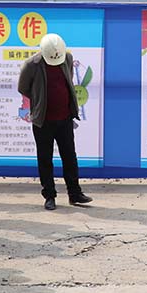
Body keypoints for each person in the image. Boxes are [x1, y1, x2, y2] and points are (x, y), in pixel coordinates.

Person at [18, 33, 92, 210]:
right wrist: (39, 100)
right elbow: (23, 87)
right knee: (45, 158)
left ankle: (75, 193)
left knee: (70, 156)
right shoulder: (32, 65)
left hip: (64, 118)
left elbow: (68, 80)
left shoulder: (67, 58)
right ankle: (49, 195)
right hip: (43, 121)